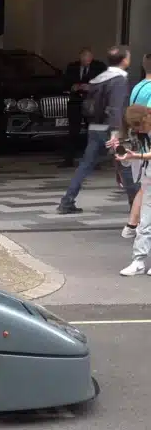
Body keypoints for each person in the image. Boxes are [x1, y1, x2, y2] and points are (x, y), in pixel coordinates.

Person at [57, 45, 131, 215]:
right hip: (110, 130)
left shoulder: (98, 79)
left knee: (85, 165)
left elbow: (90, 105)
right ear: (124, 60)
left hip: (95, 127)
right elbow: (116, 107)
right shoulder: (118, 79)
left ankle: (67, 201)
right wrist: (115, 132)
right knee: (125, 163)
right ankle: (137, 207)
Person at [115, 105, 151, 275]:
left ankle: (140, 261)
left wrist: (136, 156)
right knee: (145, 222)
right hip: (149, 178)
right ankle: (139, 261)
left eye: (140, 125)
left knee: (146, 221)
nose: (140, 129)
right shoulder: (139, 133)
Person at [121, 54, 151, 238]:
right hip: (146, 147)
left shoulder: (138, 87)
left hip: (139, 145)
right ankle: (135, 227)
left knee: (144, 186)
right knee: (146, 187)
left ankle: (131, 225)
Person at [61, 48, 107, 168]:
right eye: (84, 57)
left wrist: (91, 87)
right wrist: (73, 86)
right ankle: (69, 159)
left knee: (92, 131)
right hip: (76, 102)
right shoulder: (72, 67)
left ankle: (93, 160)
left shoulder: (99, 67)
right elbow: (65, 82)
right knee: (73, 131)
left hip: (91, 102)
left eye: (89, 58)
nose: (87, 60)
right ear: (80, 57)